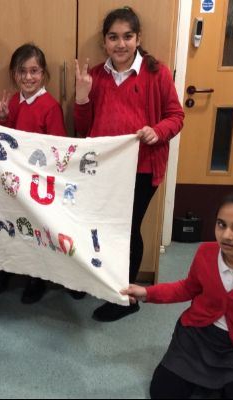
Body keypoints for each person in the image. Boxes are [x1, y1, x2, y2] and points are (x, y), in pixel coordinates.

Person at [74, 7, 184, 321]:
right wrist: (81, 96)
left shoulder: (157, 73)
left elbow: (176, 116)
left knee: (126, 229)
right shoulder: (95, 76)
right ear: (104, 42)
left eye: (127, 36)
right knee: (97, 227)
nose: (120, 44)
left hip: (142, 168)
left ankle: (127, 298)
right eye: (113, 37)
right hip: (102, 170)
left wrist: (157, 131)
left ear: (138, 38)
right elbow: (83, 127)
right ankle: (98, 279)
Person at [121, 192, 233, 399]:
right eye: (221, 224)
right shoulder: (206, 252)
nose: (227, 235)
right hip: (197, 335)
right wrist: (146, 293)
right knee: (163, 392)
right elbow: (186, 288)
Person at [0, 43, 83, 304]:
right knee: (12, 224)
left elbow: (57, 149)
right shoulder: (13, 101)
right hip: (14, 179)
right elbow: (8, 140)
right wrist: (3, 118)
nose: (28, 77)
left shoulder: (50, 106)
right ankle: (8, 268)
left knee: (35, 230)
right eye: (22, 71)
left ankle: (37, 278)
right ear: (14, 74)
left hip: (37, 182)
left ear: (43, 74)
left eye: (34, 71)